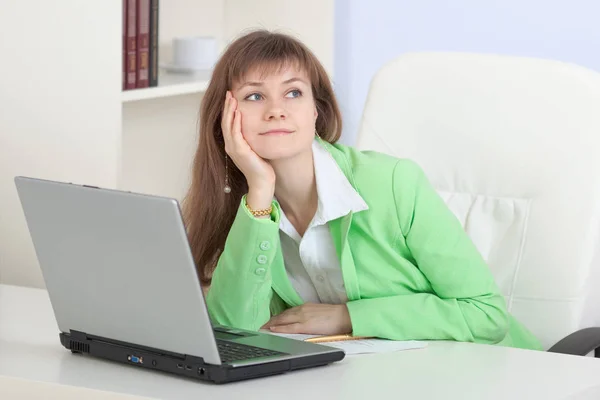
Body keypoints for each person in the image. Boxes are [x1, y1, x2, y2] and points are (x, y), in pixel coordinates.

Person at [182, 29, 542, 350]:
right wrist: (259, 191)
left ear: (316, 111)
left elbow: (485, 315)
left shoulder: (394, 183)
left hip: (495, 371)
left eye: (293, 92)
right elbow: (234, 332)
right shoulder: (244, 211)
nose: (276, 110)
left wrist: (348, 317)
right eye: (254, 97)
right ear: (225, 117)